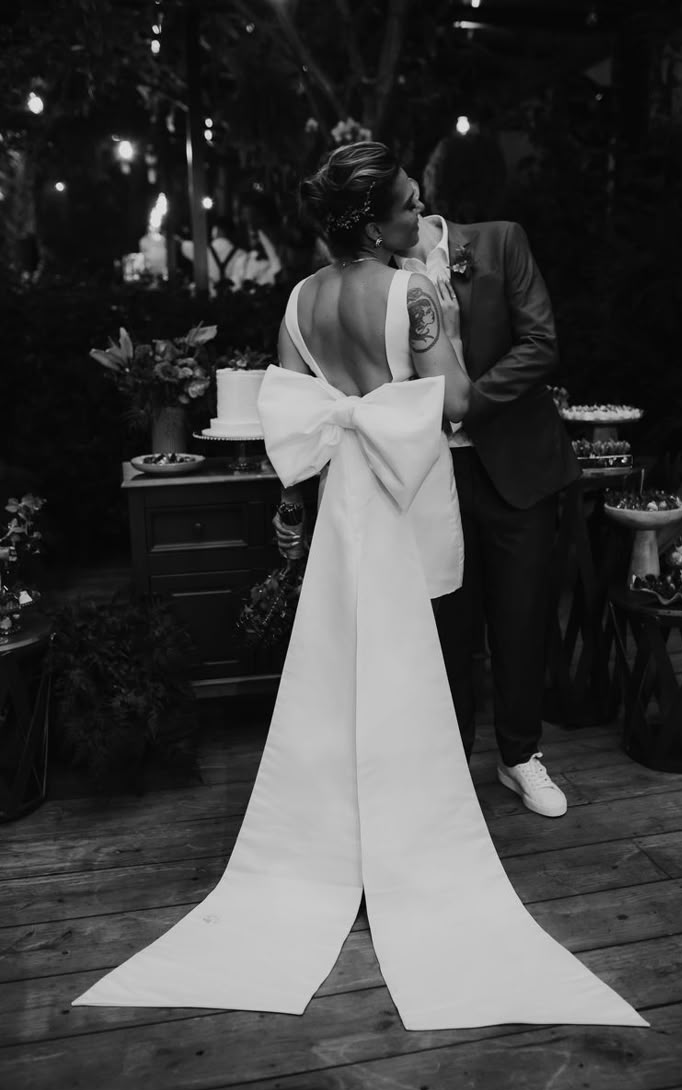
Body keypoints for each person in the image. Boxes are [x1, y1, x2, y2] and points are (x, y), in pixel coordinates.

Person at [72, 142, 645, 1033]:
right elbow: (451, 404)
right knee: (417, 654)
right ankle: (413, 825)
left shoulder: (299, 300)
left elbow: (303, 405)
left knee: (347, 659)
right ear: (376, 221)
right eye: (409, 208)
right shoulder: (412, 293)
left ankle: (344, 820)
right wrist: (442, 336)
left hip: (345, 504)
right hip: (410, 500)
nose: (422, 220)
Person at [392, 189, 582, 818]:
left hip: (516, 466)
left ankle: (520, 756)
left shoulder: (500, 241)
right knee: (446, 624)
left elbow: (540, 343)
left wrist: (465, 399)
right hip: (431, 473)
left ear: (411, 202)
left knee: (521, 617)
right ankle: (450, 761)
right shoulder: (378, 279)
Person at [179, 215, 249, 294]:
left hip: (208, 298)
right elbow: (238, 280)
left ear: (216, 230)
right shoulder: (241, 254)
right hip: (231, 300)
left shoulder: (203, 251)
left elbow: (184, 246)